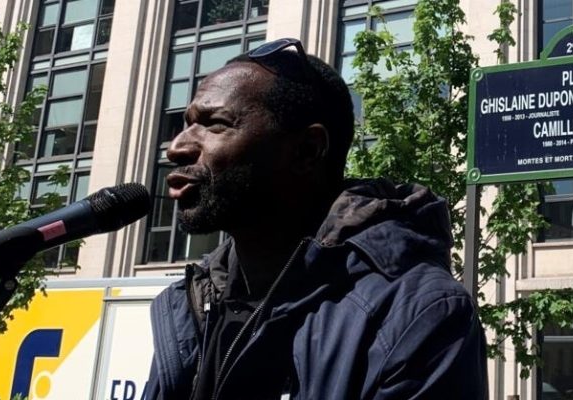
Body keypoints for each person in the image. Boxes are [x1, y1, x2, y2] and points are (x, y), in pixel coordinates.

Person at [144, 38, 487, 400]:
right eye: (186, 123)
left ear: (307, 150)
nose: (176, 147)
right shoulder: (191, 305)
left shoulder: (419, 314)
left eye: (214, 124)